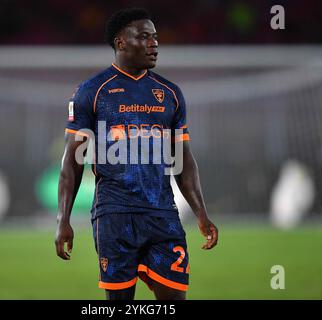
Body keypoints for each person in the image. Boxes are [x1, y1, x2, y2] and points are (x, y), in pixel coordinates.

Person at [55, 7, 218, 300]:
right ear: (121, 42)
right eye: (144, 37)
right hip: (114, 215)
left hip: (162, 214)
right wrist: (63, 219)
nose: (154, 44)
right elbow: (72, 162)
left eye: (155, 37)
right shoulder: (91, 92)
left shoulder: (170, 93)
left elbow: (184, 160)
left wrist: (201, 212)